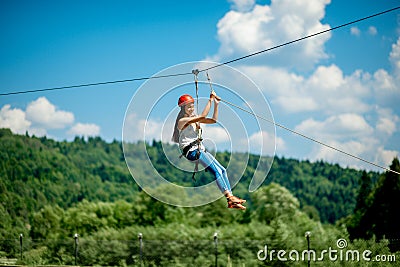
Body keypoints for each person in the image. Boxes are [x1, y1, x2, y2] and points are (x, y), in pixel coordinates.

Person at [172, 91, 246, 210]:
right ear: (182, 108)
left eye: (192, 106)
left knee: (222, 170)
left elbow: (213, 120)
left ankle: (231, 198)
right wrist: (210, 99)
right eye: (188, 107)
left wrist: (216, 104)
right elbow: (202, 116)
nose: (191, 109)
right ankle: (229, 197)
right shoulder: (182, 121)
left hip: (199, 149)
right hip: (192, 151)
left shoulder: (193, 119)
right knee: (216, 170)